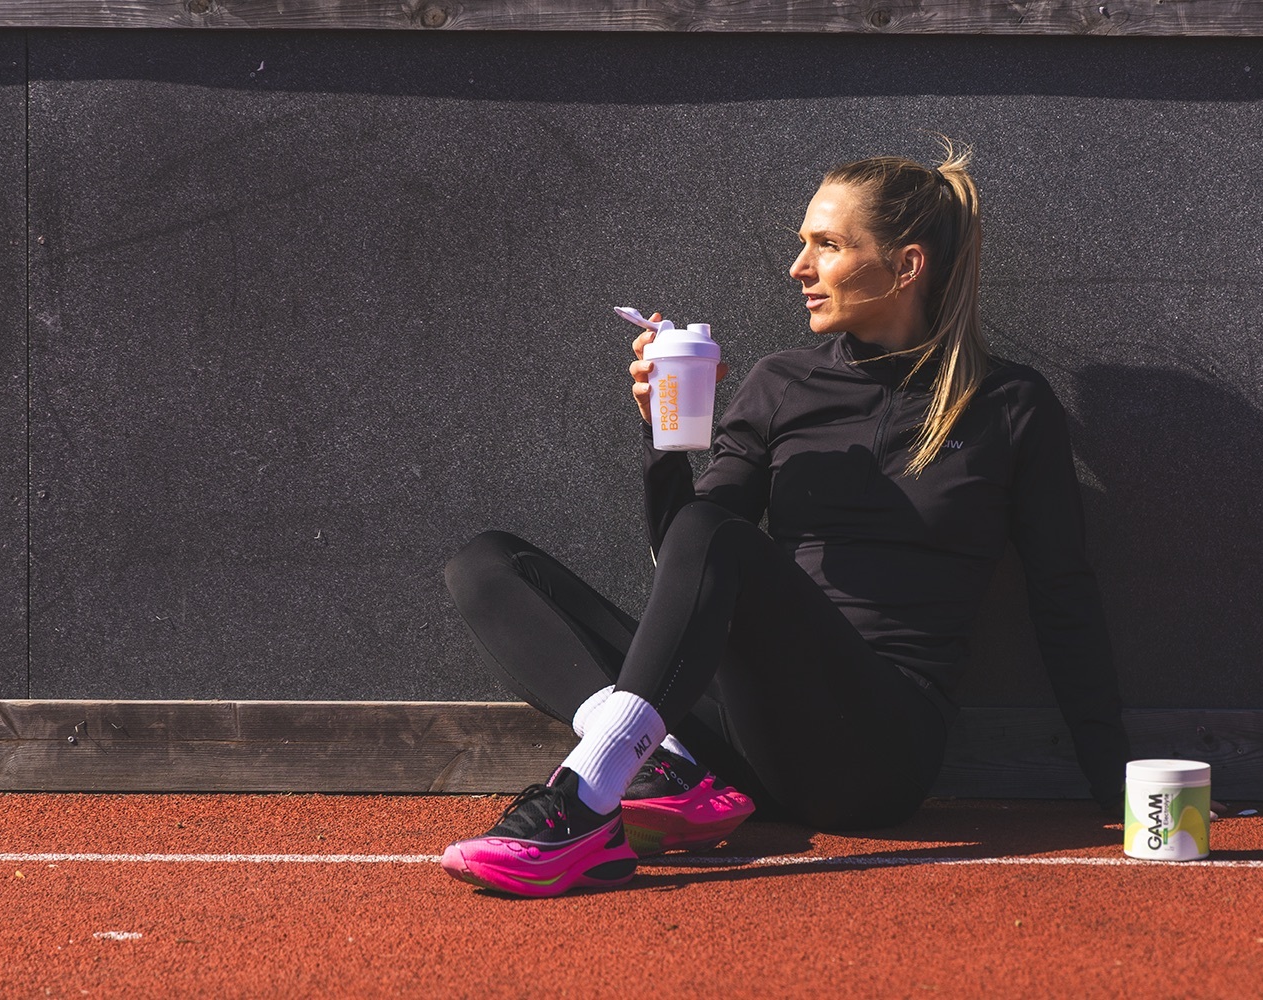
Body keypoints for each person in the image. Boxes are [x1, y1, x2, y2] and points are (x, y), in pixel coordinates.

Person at [439, 144, 1129, 897]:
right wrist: (664, 442)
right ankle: (660, 766)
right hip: (743, 738)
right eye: (803, 243)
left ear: (906, 267)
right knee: (487, 565)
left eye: (826, 245)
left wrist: (1116, 782)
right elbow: (686, 554)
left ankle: (581, 805)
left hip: (874, 751)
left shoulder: (1009, 405)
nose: (798, 267)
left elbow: (1064, 597)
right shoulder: (781, 383)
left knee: (719, 535)